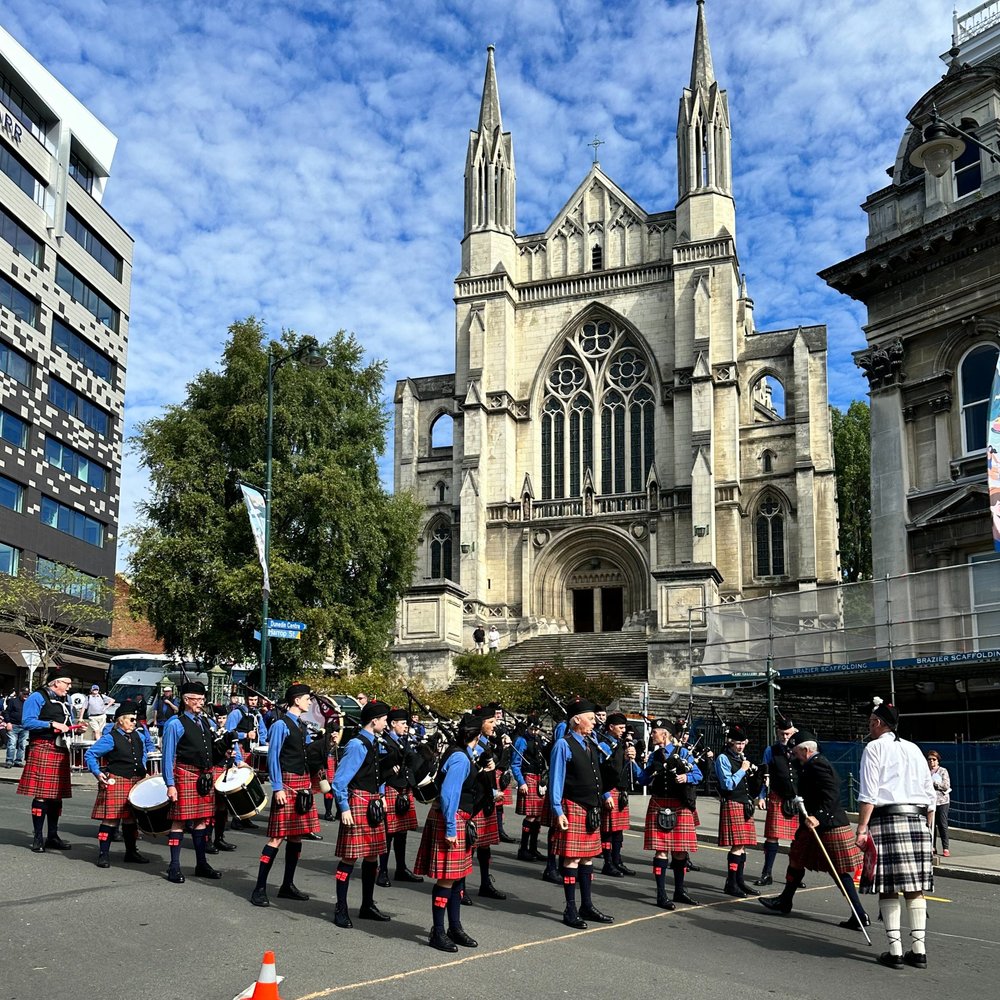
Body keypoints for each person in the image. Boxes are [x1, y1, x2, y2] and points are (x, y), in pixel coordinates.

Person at [856, 700, 936, 970]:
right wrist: (929, 830)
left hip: (886, 820)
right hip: (918, 821)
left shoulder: (873, 747)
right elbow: (930, 796)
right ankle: (919, 951)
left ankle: (895, 951)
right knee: (915, 888)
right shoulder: (914, 748)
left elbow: (868, 792)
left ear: (879, 723)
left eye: (870, 722)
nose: (869, 727)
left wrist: (862, 827)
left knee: (888, 888)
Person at [759, 730, 868, 929]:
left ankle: (859, 914)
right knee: (796, 859)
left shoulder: (818, 764)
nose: (794, 755)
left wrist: (818, 817)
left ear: (807, 750)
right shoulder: (809, 764)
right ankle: (785, 901)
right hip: (813, 825)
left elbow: (832, 793)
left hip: (828, 824)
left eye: (797, 752)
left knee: (839, 871)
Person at [414, 713, 484, 952]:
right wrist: (452, 828)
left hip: (456, 819)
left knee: (457, 878)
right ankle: (438, 931)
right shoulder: (460, 759)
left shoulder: (463, 754)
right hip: (450, 820)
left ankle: (454, 927)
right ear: (478, 734)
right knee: (447, 879)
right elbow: (448, 795)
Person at [250, 684, 321, 907]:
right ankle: (259, 888)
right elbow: (273, 757)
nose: (310, 702)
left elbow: (307, 754)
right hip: (287, 784)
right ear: (297, 700)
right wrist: (278, 787)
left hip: (301, 784)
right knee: (277, 838)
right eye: (307, 699)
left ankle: (287, 885)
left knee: (297, 836)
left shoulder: (301, 725)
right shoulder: (281, 724)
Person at [549, 699, 614, 928]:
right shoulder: (563, 745)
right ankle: (570, 908)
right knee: (572, 858)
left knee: (587, 858)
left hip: (592, 807)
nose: (594, 723)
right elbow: (556, 779)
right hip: (573, 805)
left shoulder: (592, 742)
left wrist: (605, 795)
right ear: (576, 719)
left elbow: (597, 774)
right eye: (590, 718)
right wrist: (557, 810)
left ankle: (587, 905)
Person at [331, 698, 391, 928]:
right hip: (357, 805)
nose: (386, 724)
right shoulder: (357, 744)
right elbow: (339, 781)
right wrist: (344, 808)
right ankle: (341, 908)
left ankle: (367, 905)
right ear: (374, 721)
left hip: (373, 803)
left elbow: (377, 774)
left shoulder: (373, 741)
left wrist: (383, 795)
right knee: (349, 857)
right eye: (384, 720)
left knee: (372, 855)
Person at [161, 681, 225, 883]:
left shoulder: (204, 721)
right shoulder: (175, 723)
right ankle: (174, 866)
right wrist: (170, 784)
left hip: (204, 777)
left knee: (201, 821)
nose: (200, 703)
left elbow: (211, 750)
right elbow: (168, 756)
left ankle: (201, 864)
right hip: (184, 776)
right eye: (196, 699)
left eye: (202, 699)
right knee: (178, 822)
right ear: (186, 700)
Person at [638, 718, 702, 908]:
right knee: (660, 851)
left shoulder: (683, 753)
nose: (652, 734)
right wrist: (642, 766)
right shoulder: (653, 756)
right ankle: (661, 894)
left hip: (680, 805)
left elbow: (699, 775)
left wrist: (686, 776)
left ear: (665, 734)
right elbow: (641, 780)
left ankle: (680, 891)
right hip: (659, 802)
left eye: (654, 731)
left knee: (680, 852)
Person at [83, 701, 156, 868]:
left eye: (135, 719)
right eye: (131, 719)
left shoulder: (139, 736)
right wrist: (98, 773)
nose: (134, 722)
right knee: (111, 820)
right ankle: (103, 854)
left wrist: (143, 769)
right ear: (120, 720)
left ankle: (131, 852)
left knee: (131, 819)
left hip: (136, 781)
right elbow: (90, 754)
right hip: (118, 780)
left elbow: (143, 753)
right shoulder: (110, 738)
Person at [17, 671, 75, 852]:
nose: (69, 687)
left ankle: (52, 836)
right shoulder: (37, 697)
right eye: (67, 683)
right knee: (42, 794)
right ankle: (37, 837)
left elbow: (64, 722)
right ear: (55, 683)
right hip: (43, 746)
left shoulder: (64, 700)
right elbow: (27, 722)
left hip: (60, 748)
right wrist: (51, 724)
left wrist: (74, 729)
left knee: (57, 795)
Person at [376, 707, 424, 886]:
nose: (406, 726)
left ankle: (401, 868)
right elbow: (380, 769)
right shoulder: (384, 741)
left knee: (402, 832)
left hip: (404, 789)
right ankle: (382, 870)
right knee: (388, 833)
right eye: (403, 723)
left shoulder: (405, 741)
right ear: (393, 723)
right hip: (390, 788)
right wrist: (381, 795)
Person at [714, 723, 760, 897]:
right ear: (730, 743)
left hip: (744, 804)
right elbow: (727, 784)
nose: (740, 747)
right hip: (732, 802)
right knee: (736, 845)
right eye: (737, 744)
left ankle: (739, 881)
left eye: (743, 743)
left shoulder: (742, 758)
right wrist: (742, 770)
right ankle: (731, 883)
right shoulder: (723, 759)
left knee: (742, 845)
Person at [754, 717, 801, 886]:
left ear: (793, 732)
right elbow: (763, 775)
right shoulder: (771, 750)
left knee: (798, 840)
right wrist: (761, 796)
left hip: (797, 799)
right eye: (781, 734)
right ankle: (767, 874)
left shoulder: (799, 748)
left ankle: (795, 876)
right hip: (777, 796)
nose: (784, 737)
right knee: (772, 838)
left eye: (787, 733)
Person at [597, 712, 641, 877]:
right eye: (621, 727)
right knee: (608, 830)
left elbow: (634, 772)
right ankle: (608, 863)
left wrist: (633, 759)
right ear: (611, 727)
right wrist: (606, 794)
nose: (623, 731)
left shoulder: (624, 745)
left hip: (621, 791)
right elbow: (600, 772)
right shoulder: (604, 745)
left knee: (618, 830)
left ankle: (617, 861)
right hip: (610, 790)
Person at [225, 692, 267, 830]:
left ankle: (246, 818)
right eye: (250, 699)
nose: (253, 702)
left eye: (255, 699)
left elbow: (262, 731)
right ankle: (237, 818)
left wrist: (263, 743)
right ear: (246, 699)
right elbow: (228, 733)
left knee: (250, 786)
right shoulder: (236, 713)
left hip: (251, 751)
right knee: (239, 787)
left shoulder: (257, 714)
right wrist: (245, 735)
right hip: (240, 749)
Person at [512, 716, 546, 862]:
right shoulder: (521, 741)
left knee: (538, 816)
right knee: (531, 816)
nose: (535, 731)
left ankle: (533, 848)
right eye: (532, 728)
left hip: (539, 779)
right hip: (528, 778)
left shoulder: (538, 740)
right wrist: (521, 782)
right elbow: (515, 764)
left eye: (537, 729)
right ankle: (523, 849)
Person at [927, 750, 951, 857]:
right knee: (931, 825)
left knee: (942, 824)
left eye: (934, 759)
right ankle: (932, 847)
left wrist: (934, 783)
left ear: (938, 760)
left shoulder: (943, 771)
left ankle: (945, 847)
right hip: (930, 802)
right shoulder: (926, 771)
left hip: (942, 801)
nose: (932, 761)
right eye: (930, 759)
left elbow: (946, 785)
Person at [5, 688, 29, 767]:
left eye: (27, 694)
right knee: (12, 743)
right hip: (13, 725)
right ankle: (9, 760)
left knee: (22, 744)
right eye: (24, 693)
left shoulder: (28, 702)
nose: (26, 695)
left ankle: (18, 761)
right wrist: (8, 722)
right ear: (20, 693)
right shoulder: (13, 701)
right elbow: (7, 712)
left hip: (24, 726)